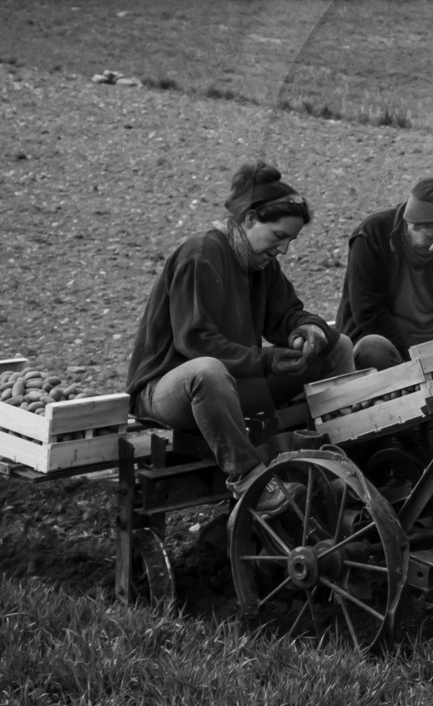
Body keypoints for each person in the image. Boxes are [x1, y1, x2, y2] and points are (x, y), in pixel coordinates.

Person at [126, 162, 355, 515]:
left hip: (232, 383)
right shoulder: (201, 254)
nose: (284, 250)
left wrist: (307, 330)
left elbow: (288, 314)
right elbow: (196, 342)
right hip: (169, 390)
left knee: (338, 345)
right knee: (208, 370)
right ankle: (251, 481)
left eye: (291, 241)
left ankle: (340, 458)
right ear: (249, 220)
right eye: (279, 237)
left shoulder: (262, 265)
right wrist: (265, 359)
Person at [336, 176, 433, 370]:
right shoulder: (372, 234)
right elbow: (368, 311)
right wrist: (419, 353)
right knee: (372, 348)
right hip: (393, 345)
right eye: (431, 239)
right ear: (411, 223)